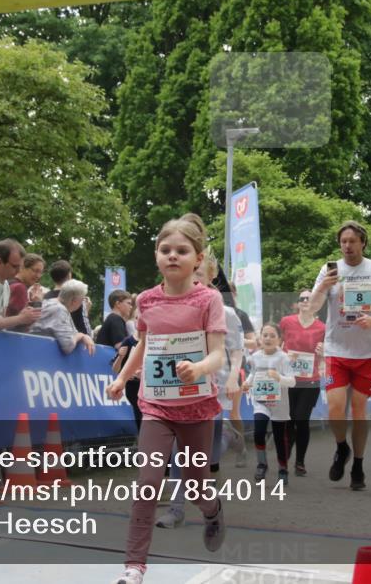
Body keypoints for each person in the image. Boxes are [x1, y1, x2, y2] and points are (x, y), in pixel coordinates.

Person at [105, 216, 227, 584]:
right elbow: (144, 344)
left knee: (195, 486)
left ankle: (212, 509)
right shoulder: (146, 300)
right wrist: (123, 377)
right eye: (165, 250)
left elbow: (219, 354)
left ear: (197, 258)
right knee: (147, 483)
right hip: (155, 404)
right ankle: (134, 566)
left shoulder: (209, 299)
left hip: (196, 406)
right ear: (157, 255)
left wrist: (199, 367)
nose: (173, 256)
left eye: (182, 251)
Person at [155, 245, 243, 530]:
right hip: (182, 390)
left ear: (210, 277)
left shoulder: (224, 310)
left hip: (214, 390)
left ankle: (228, 437)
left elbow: (236, 349)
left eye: (200, 275)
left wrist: (232, 379)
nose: (193, 280)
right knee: (182, 451)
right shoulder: (173, 307)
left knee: (207, 457)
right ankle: (176, 508)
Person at [306, 220, 371, 490]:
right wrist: (323, 286)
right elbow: (311, 309)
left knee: (359, 412)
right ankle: (341, 448)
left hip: (367, 353)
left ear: (363, 243)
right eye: (343, 242)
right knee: (334, 409)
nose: (347, 246)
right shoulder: (329, 270)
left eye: (352, 241)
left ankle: (358, 465)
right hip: (336, 349)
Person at [279, 288, 325, 476]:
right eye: (302, 298)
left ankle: (300, 461)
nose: (305, 301)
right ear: (297, 303)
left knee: (301, 419)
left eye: (309, 298)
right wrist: (281, 355)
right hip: (289, 379)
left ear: (315, 303)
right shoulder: (286, 322)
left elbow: (325, 356)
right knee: (289, 420)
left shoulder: (322, 327)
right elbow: (278, 344)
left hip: (310, 380)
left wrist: (323, 352)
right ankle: (286, 455)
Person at [243, 323, 296, 484]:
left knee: (279, 438)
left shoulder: (283, 358)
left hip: (279, 405)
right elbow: (253, 374)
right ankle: (262, 464)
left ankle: (282, 468)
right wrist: (247, 383)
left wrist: (279, 378)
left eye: (273, 336)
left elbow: (292, 381)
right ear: (260, 338)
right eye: (265, 335)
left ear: (280, 339)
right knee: (258, 432)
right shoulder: (255, 357)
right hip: (261, 402)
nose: (268, 338)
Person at [97, 290, 140, 426]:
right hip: (130, 382)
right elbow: (119, 346)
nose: (130, 307)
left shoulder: (115, 320)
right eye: (128, 303)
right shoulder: (115, 319)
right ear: (117, 304)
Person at [29, 280, 96, 356]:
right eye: (81, 301)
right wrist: (81, 335)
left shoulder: (50, 302)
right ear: (74, 301)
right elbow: (68, 346)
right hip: (39, 354)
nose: (81, 305)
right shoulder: (59, 310)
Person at [6, 253, 46, 318]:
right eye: (35, 271)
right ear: (22, 267)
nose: (38, 276)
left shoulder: (8, 282)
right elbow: (21, 322)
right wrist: (37, 303)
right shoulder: (19, 288)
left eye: (41, 272)